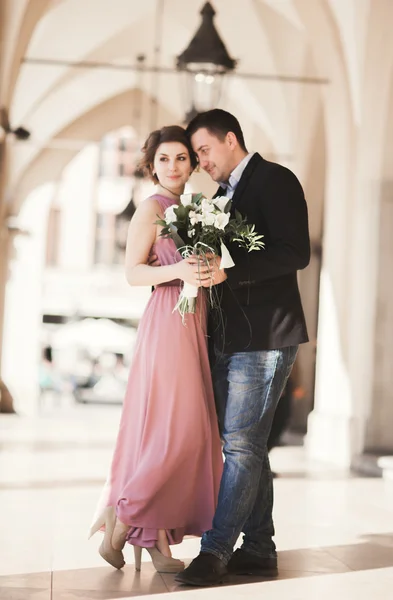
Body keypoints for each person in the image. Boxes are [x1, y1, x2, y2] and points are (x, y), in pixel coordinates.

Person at [174, 109, 310, 586]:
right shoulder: (220, 196)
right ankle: (258, 548)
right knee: (245, 445)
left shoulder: (276, 180)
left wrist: (231, 269)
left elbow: (297, 252)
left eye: (204, 150)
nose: (200, 162)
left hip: (268, 335)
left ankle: (215, 552)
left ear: (231, 139)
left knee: (242, 444)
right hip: (232, 335)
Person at [89, 125, 223, 574]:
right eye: (164, 159)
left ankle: (156, 542)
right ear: (152, 165)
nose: (173, 166)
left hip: (196, 319)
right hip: (167, 321)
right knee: (177, 432)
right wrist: (180, 268)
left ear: (193, 163)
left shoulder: (198, 208)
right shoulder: (151, 208)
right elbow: (132, 273)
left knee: (189, 431)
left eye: (181, 158)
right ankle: (125, 519)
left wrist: (209, 268)